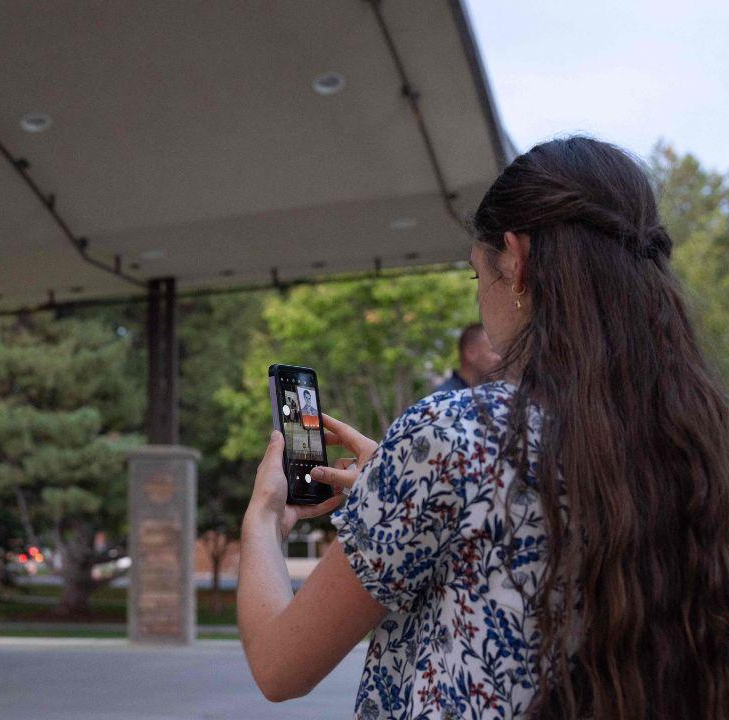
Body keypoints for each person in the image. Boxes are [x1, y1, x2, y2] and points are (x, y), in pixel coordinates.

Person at [237, 137, 729, 719]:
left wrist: (264, 520)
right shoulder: (702, 438)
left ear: (515, 261)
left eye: (477, 276)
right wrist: (402, 490)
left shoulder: (455, 434)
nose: (480, 301)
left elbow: (279, 665)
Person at [432, 322, 501, 393]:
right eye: (494, 351)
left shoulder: (498, 391)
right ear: (471, 353)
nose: (499, 358)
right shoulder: (444, 398)